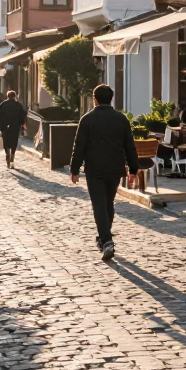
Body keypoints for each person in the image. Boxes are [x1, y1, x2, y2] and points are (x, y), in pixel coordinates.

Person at [70, 84, 140, 263]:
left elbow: (79, 147)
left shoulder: (87, 119)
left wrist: (74, 169)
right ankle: (104, 237)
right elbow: (130, 146)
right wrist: (133, 169)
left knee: (99, 205)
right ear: (111, 99)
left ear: (95, 99)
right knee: (108, 203)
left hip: (94, 169)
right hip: (115, 168)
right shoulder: (121, 119)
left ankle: (106, 240)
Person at [0, 90, 27, 169]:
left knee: (6, 142)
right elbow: (23, 115)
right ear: (15, 96)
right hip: (15, 127)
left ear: (7, 96)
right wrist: (23, 124)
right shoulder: (18, 105)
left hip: (5, 127)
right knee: (14, 141)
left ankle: (7, 154)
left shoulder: (3, 105)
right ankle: (12, 154)